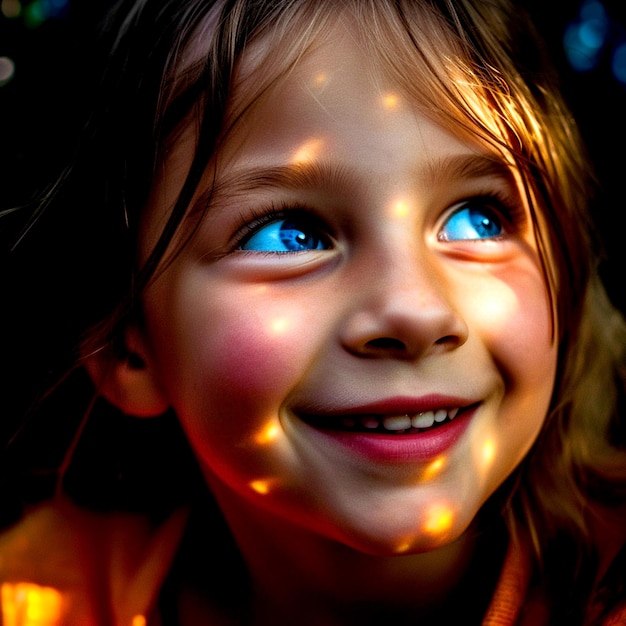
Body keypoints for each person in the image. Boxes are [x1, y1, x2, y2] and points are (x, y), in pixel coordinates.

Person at [1, 0, 625, 623]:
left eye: (478, 219)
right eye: (290, 234)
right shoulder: (40, 599)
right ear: (122, 344)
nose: (415, 310)